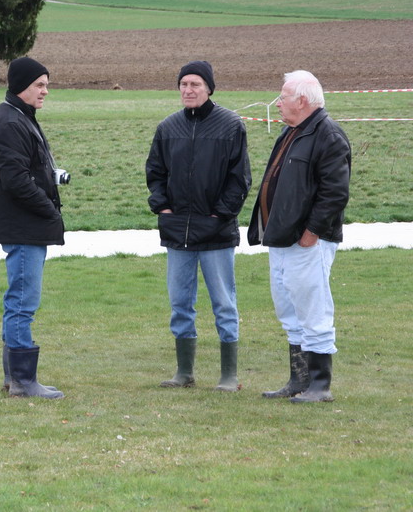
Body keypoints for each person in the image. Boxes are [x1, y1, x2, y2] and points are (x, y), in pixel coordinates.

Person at [146, 60, 252, 392]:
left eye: (195, 84)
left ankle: (229, 375)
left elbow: (239, 179)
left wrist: (219, 216)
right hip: (177, 231)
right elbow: (155, 173)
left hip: (216, 232)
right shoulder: (168, 127)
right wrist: (163, 208)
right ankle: (184, 372)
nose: (188, 90)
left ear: (209, 88)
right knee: (180, 303)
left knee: (224, 303)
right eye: (183, 84)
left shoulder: (231, 126)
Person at [248, 70, 351, 403]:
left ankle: (320, 386)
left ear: (302, 101)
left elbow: (335, 193)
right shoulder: (292, 132)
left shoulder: (328, 135)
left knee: (313, 310)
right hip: (282, 239)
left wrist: (312, 232)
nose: (278, 103)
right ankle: (298, 380)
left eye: (283, 97)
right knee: (290, 310)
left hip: (307, 242)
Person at [0, 57, 66, 399]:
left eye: (46, 84)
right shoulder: (10, 122)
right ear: (21, 86)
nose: (45, 91)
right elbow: (15, 180)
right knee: (22, 302)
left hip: (26, 225)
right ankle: (22, 381)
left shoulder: (19, 117)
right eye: (39, 85)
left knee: (19, 300)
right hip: (23, 227)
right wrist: (49, 210)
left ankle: (13, 377)